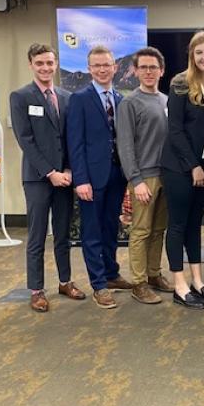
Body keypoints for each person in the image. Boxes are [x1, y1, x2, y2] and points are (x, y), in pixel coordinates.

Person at [9, 43, 86, 312]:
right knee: (38, 235)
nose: (45, 68)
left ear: (56, 64)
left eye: (49, 63)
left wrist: (68, 171)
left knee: (63, 233)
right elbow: (26, 140)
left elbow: (71, 138)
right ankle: (36, 290)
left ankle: (65, 281)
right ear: (31, 64)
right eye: (39, 63)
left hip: (64, 177)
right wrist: (50, 172)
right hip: (38, 178)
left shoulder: (66, 97)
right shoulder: (20, 97)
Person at [161, 31, 204, 310]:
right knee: (177, 225)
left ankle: (198, 281)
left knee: (194, 225)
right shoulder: (180, 84)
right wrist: (194, 167)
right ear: (192, 56)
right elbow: (175, 131)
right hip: (179, 168)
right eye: (198, 52)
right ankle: (179, 284)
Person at [66, 45, 133, 309]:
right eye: (97, 66)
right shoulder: (80, 99)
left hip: (117, 174)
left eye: (107, 65)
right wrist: (80, 180)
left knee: (110, 227)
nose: (102, 70)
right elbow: (75, 143)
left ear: (115, 67)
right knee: (92, 231)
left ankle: (111, 273)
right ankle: (99, 284)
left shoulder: (119, 99)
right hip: (91, 178)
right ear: (89, 69)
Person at [116, 46, 172, 305]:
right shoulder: (130, 102)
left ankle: (153, 274)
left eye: (153, 67)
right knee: (140, 231)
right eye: (144, 67)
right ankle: (138, 282)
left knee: (159, 229)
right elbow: (125, 146)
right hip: (143, 178)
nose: (149, 72)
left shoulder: (165, 100)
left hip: (166, 176)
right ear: (135, 71)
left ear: (161, 71)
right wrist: (136, 180)